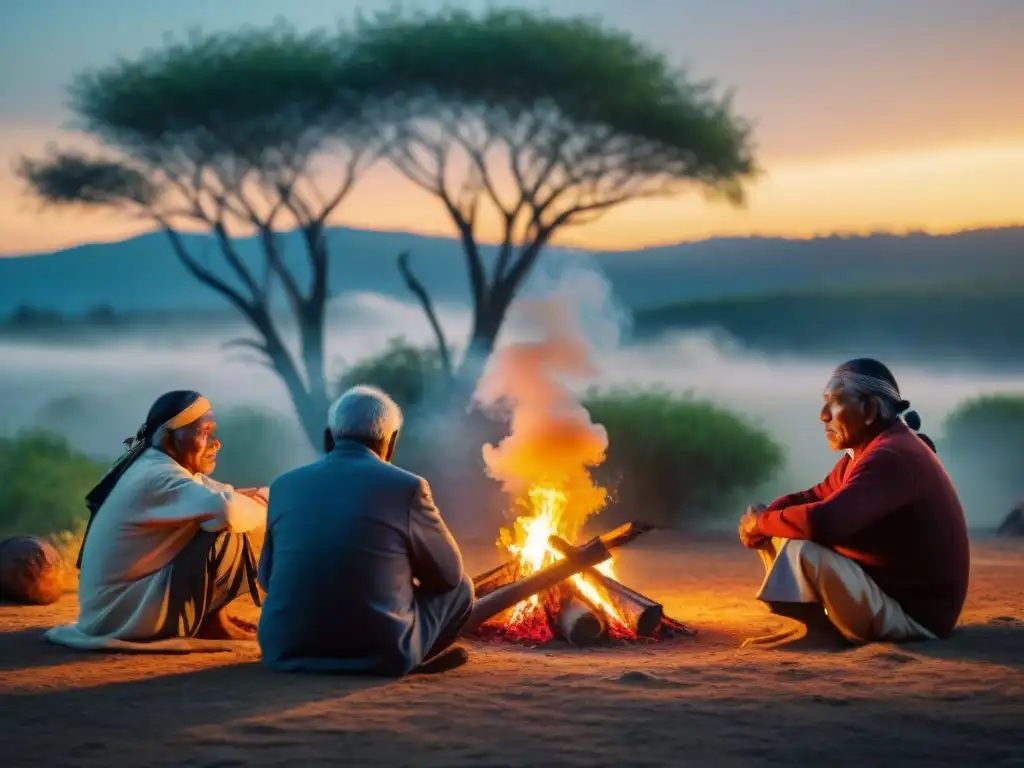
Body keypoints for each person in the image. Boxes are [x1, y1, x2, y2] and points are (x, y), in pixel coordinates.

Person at [737, 358, 970, 647]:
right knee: (783, 525)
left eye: (834, 402)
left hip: (914, 618)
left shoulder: (890, 457)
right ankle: (814, 626)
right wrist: (767, 516)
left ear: (870, 409)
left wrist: (760, 523)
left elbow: (825, 522)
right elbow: (814, 495)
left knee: (801, 543)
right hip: (889, 597)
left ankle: (821, 632)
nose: (823, 415)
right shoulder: (862, 454)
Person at [257, 385, 474, 676]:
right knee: (462, 587)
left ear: (327, 438)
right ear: (392, 442)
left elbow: (267, 579)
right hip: (381, 655)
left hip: (283, 650)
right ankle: (410, 655)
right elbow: (448, 576)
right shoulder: (409, 487)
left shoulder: (283, 485)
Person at [60, 390, 268, 645]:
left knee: (217, 514)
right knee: (222, 526)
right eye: (205, 431)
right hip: (119, 615)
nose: (216, 442)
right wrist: (267, 500)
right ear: (171, 439)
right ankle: (212, 623)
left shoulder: (159, 466)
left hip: (114, 609)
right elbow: (229, 509)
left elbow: (223, 493)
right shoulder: (157, 477)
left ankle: (209, 618)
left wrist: (256, 497)